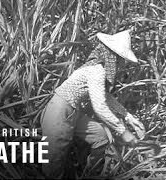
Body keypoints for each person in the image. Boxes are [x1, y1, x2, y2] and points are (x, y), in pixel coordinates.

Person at [41, 30, 146, 178]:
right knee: (53, 165)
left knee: (101, 135)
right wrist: (123, 131)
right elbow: (100, 106)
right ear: (112, 56)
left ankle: (90, 173)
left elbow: (105, 97)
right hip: (59, 113)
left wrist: (128, 117)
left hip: (72, 112)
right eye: (120, 59)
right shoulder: (97, 71)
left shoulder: (96, 69)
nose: (122, 64)